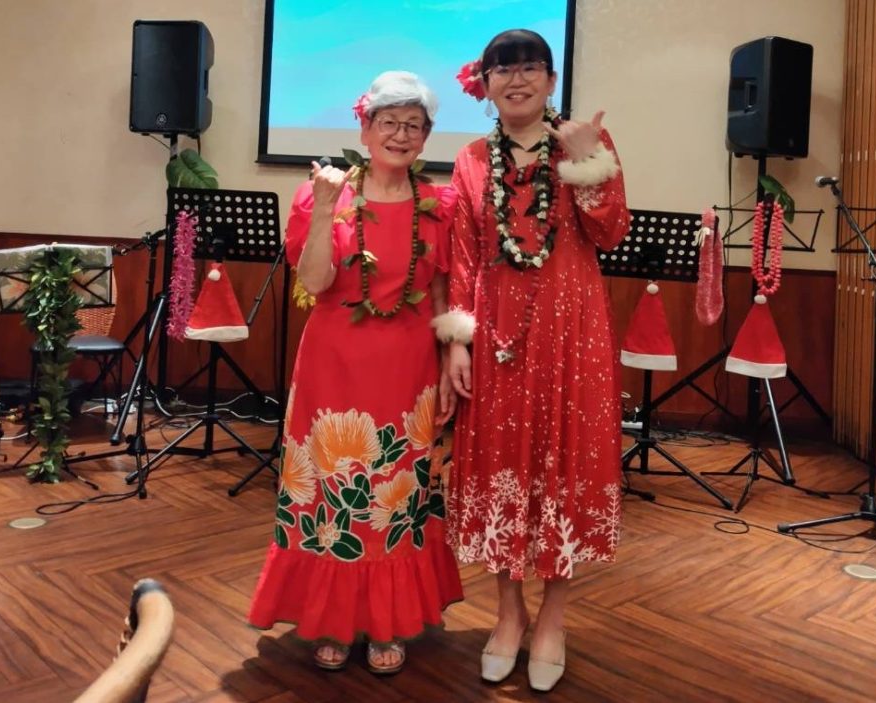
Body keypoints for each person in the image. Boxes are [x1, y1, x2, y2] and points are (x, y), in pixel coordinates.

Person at [248, 71, 463, 675]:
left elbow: (441, 292)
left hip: (408, 370)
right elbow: (315, 282)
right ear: (365, 129)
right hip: (332, 367)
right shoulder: (322, 194)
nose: (400, 134)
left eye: (413, 125)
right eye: (388, 122)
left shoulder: (440, 205)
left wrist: (450, 359)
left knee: (396, 495)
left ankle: (386, 622)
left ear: (426, 137)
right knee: (329, 494)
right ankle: (332, 620)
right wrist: (322, 209)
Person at [438, 30, 630, 692]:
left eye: (529, 68)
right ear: (484, 84)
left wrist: (589, 161)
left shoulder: (585, 143)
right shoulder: (470, 159)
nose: (516, 79)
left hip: (573, 331)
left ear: (551, 80)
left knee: (564, 460)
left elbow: (611, 233)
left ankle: (553, 616)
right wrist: (457, 340)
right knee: (498, 461)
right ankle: (509, 611)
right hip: (497, 335)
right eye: (503, 69)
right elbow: (463, 256)